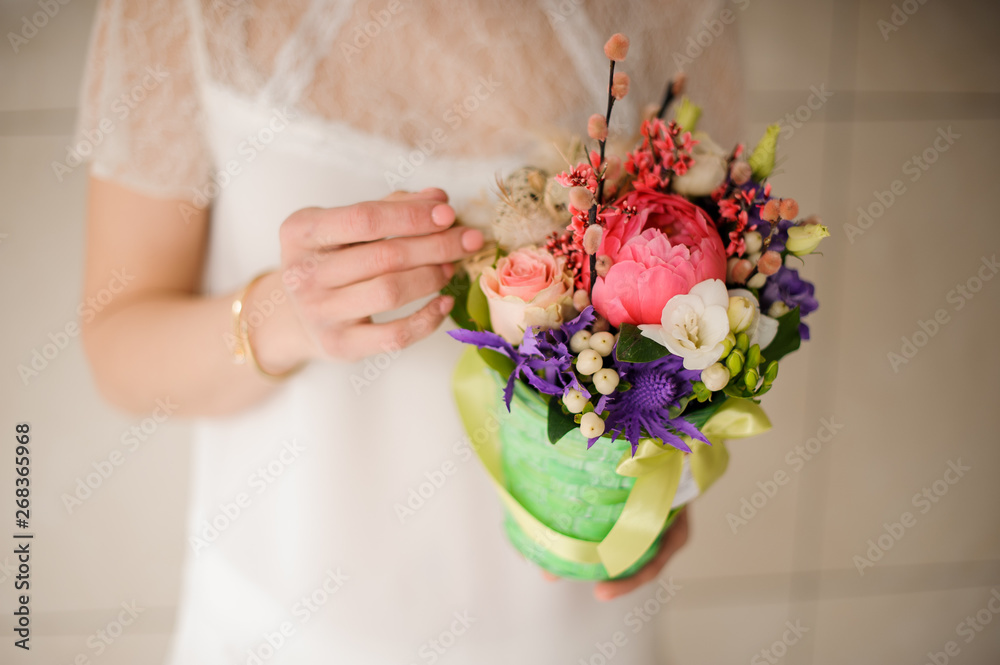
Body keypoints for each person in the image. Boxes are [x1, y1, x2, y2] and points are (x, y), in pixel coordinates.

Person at [77, 1, 743, 662]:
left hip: (572, 628)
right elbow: (117, 350)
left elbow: (717, 287)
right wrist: (277, 317)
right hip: (286, 626)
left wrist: (665, 481)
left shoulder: (671, 11)